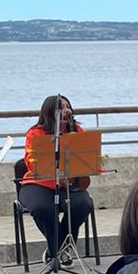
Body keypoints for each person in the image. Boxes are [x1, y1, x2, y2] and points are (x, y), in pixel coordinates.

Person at [18, 94, 96, 263]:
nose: (67, 110)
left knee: (82, 205)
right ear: (49, 112)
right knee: (42, 208)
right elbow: (32, 164)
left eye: (68, 106)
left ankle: (61, 247)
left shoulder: (77, 131)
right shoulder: (35, 133)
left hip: (68, 183)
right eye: (62, 108)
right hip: (38, 183)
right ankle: (59, 249)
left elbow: (86, 160)